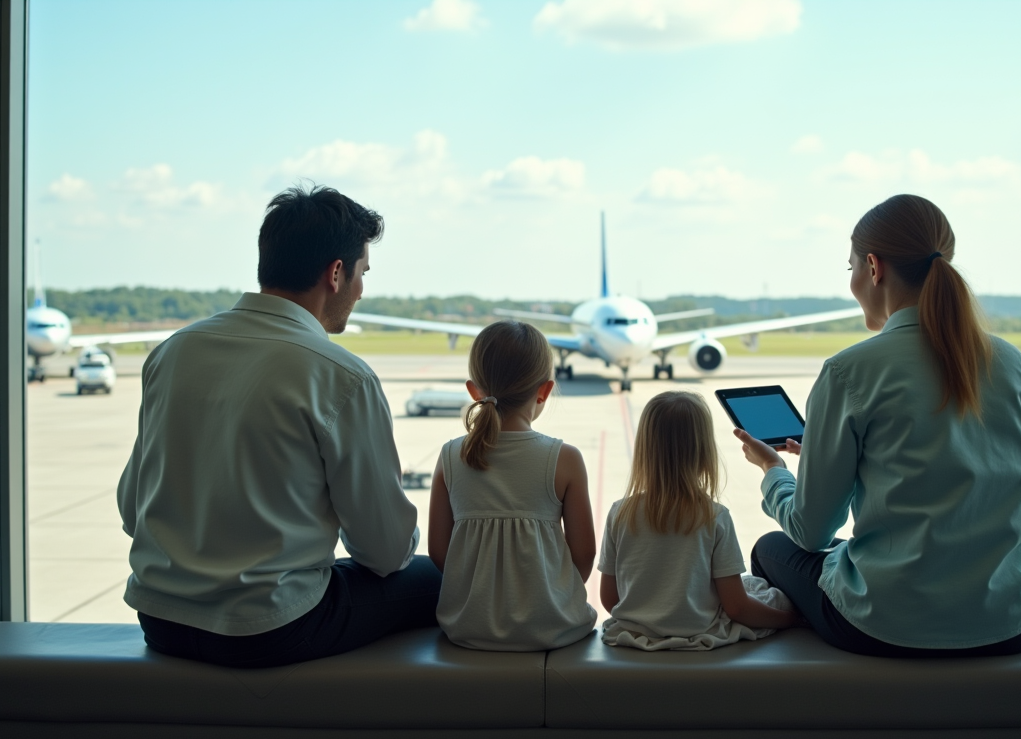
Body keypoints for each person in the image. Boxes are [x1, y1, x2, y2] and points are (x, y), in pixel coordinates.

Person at [119, 184, 441, 668]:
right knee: (444, 578)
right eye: (362, 274)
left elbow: (131, 510)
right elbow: (385, 550)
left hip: (161, 621)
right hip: (271, 627)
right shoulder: (341, 375)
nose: (360, 290)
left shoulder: (172, 352)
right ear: (336, 273)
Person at [734, 194, 1021, 658]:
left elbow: (810, 532)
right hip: (1014, 620)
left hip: (888, 624)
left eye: (851, 269)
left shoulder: (850, 371)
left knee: (770, 548)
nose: (853, 281)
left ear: (874, 267)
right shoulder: (1015, 365)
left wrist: (772, 471)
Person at [428, 320, 597, 651]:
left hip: (467, 627)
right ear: (544, 391)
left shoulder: (450, 456)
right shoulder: (564, 458)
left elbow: (439, 552)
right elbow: (584, 555)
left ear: (474, 391)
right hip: (554, 627)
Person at [598, 391, 799, 651]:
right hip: (699, 631)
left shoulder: (620, 513)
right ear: (704, 454)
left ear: (645, 451)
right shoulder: (714, 516)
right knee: (766, 592)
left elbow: (610, 598)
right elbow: (737, 607)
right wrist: (791, 619)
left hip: (635, 632)